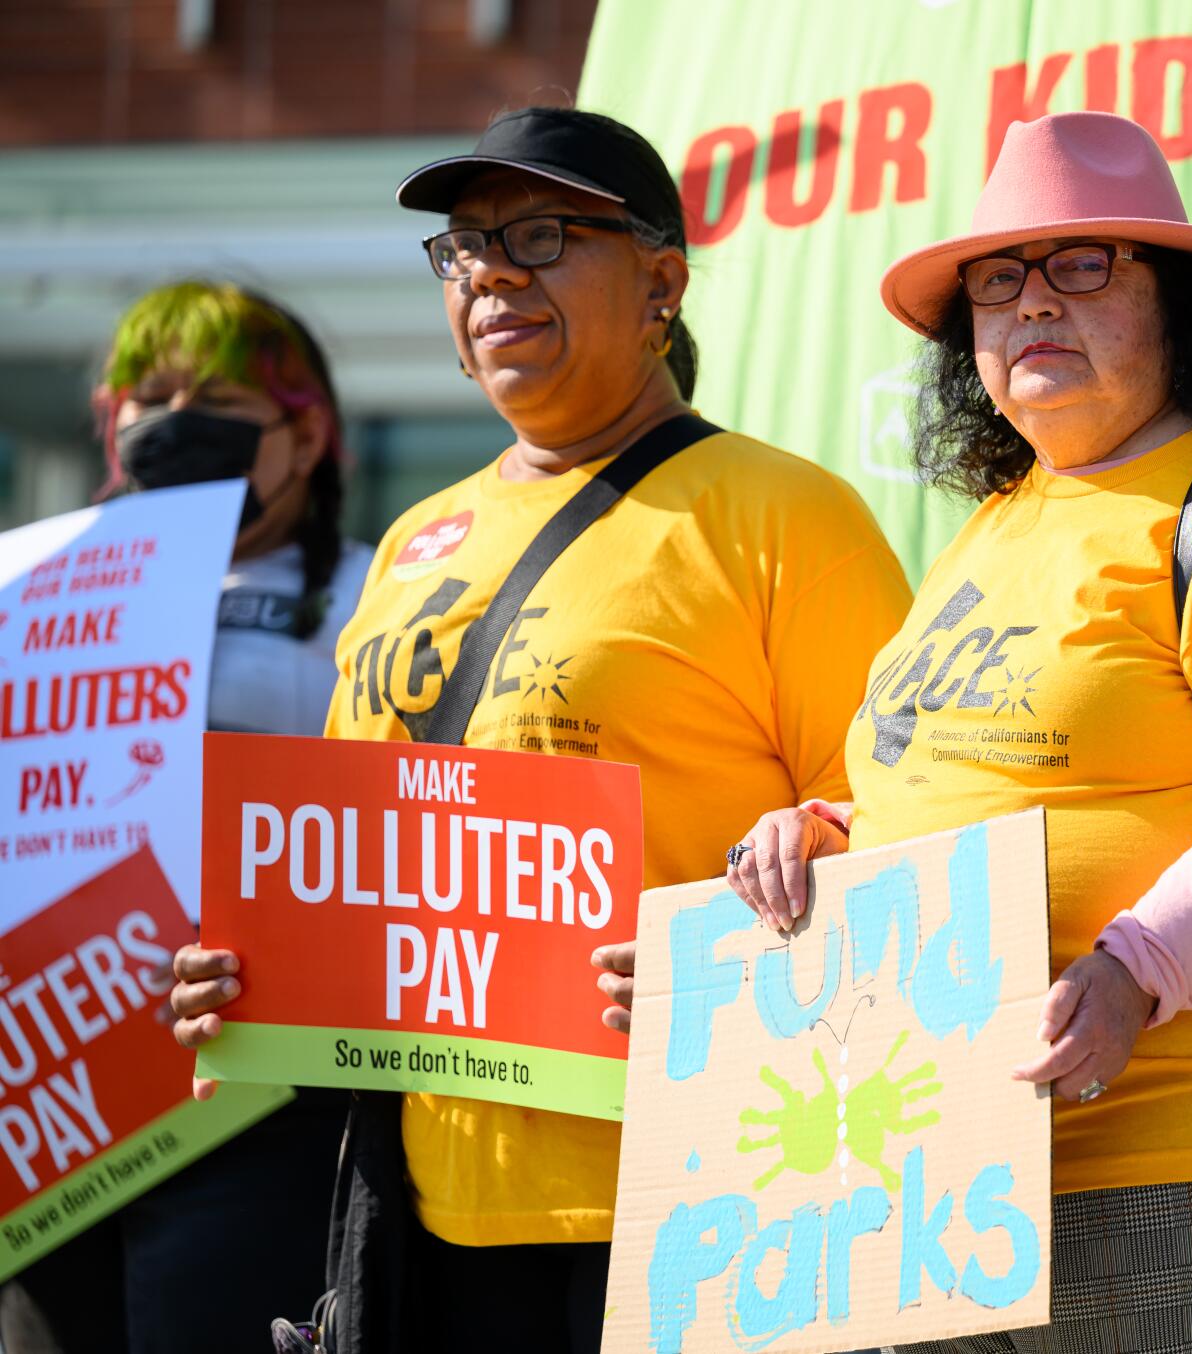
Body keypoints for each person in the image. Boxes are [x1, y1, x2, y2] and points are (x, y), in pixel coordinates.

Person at [166, 107, 912, 1353]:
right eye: (463, 248)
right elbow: (345, 849)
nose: (493, 271)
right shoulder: (415, 543)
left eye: (543, 233)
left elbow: (908, 835)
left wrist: (732, 944)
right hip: (422, 1212)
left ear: (661, 281)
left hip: (707, 1202)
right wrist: (248, 966)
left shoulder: (786, 518)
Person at [719, 112, 1192, 1352]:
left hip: (1172, 1176)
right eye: (998, 281)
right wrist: (817, 836)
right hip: (922, 1182)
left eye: (1083, 264)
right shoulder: (996, 521)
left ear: (1184, 305)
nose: (1031, 303)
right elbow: (934, 783)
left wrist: (1135, 968)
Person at [0, 281, 369, 1354]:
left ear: (304, 436)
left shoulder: (368, 588)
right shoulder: (33, 580)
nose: (172, 420)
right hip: (53, 1089)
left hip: (252, 1092)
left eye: (214, 397)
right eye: (149, 396)